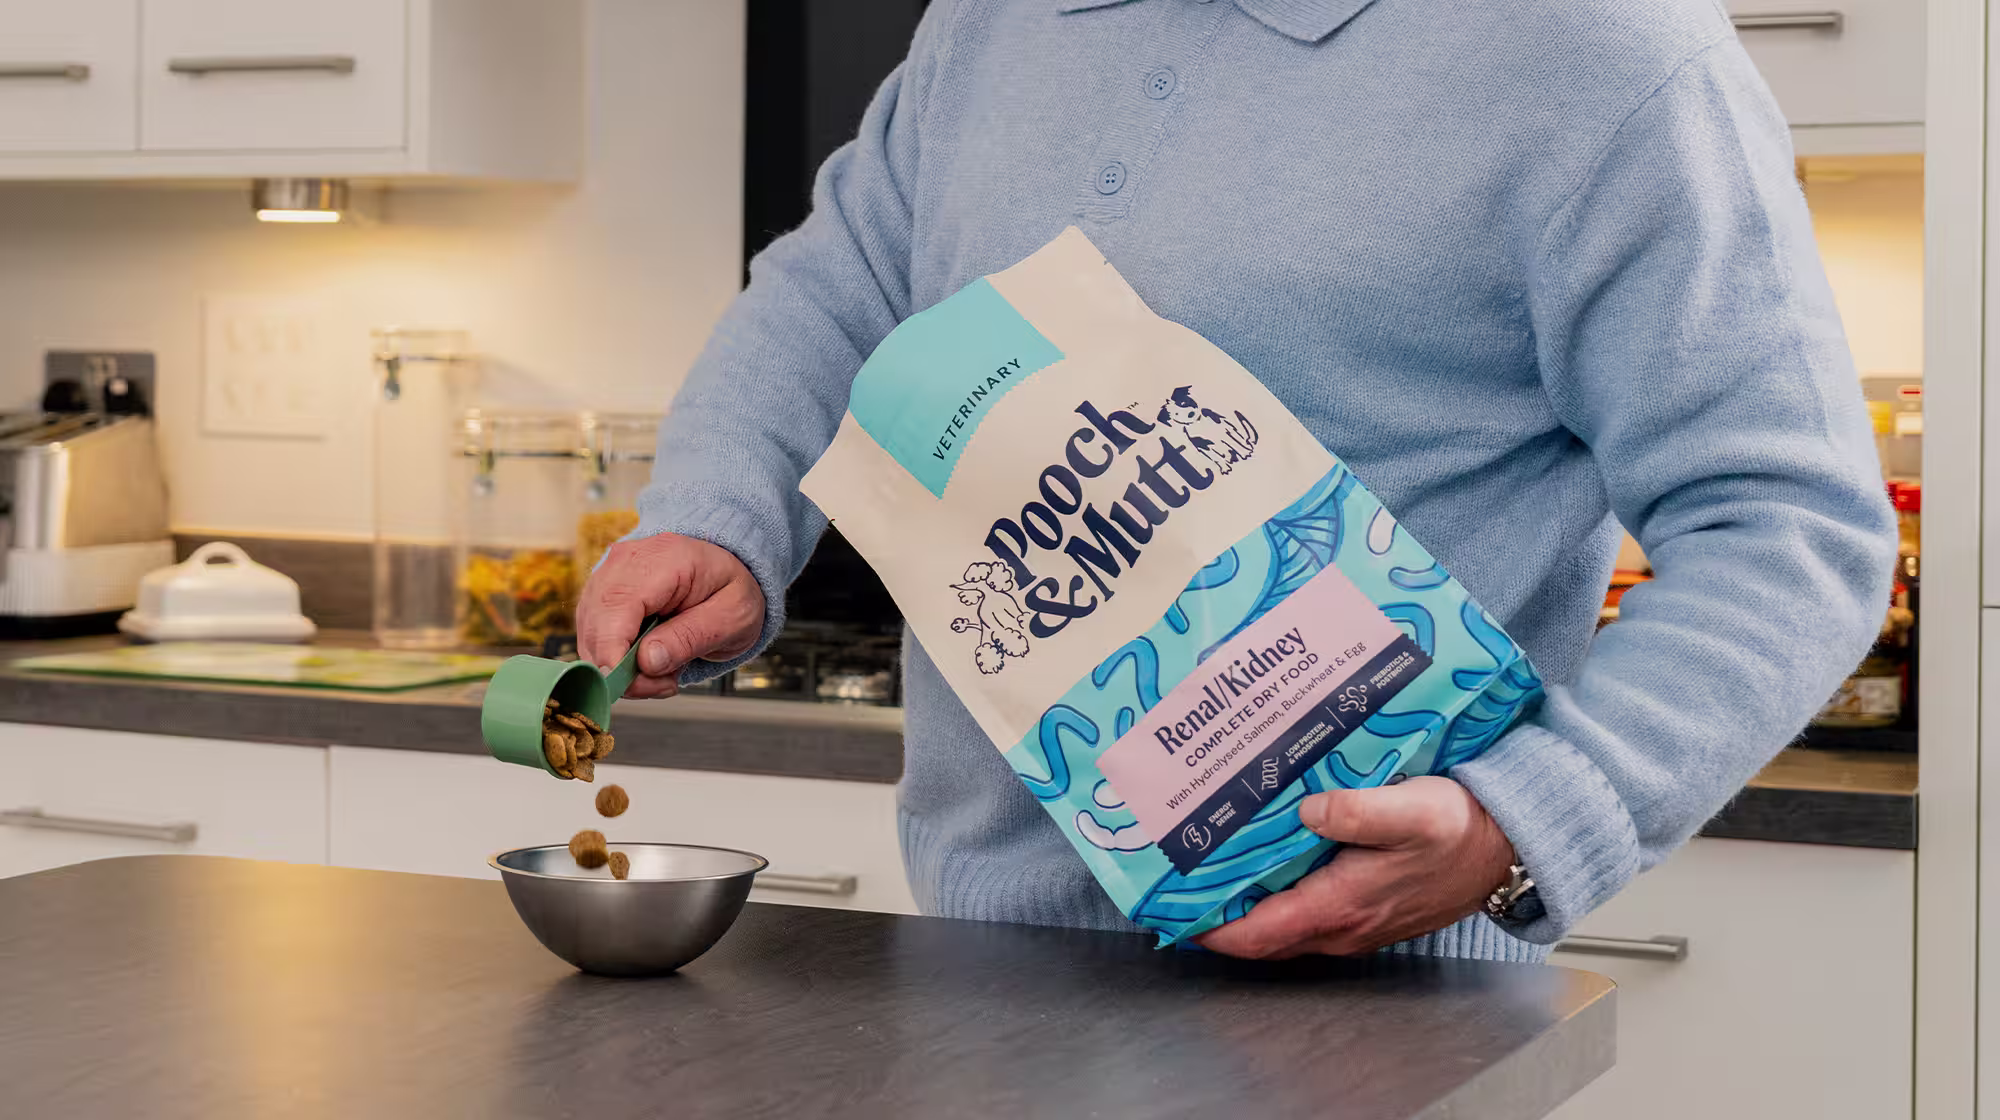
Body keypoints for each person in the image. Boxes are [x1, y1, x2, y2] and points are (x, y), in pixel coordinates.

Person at [577, 0, 1895, 961]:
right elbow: (845, 284)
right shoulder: (996, 25)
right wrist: (722, 511)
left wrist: (1528, 818)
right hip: (982, 970)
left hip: (1379, 1009)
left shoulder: (1606, 55)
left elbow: (1789, 524)